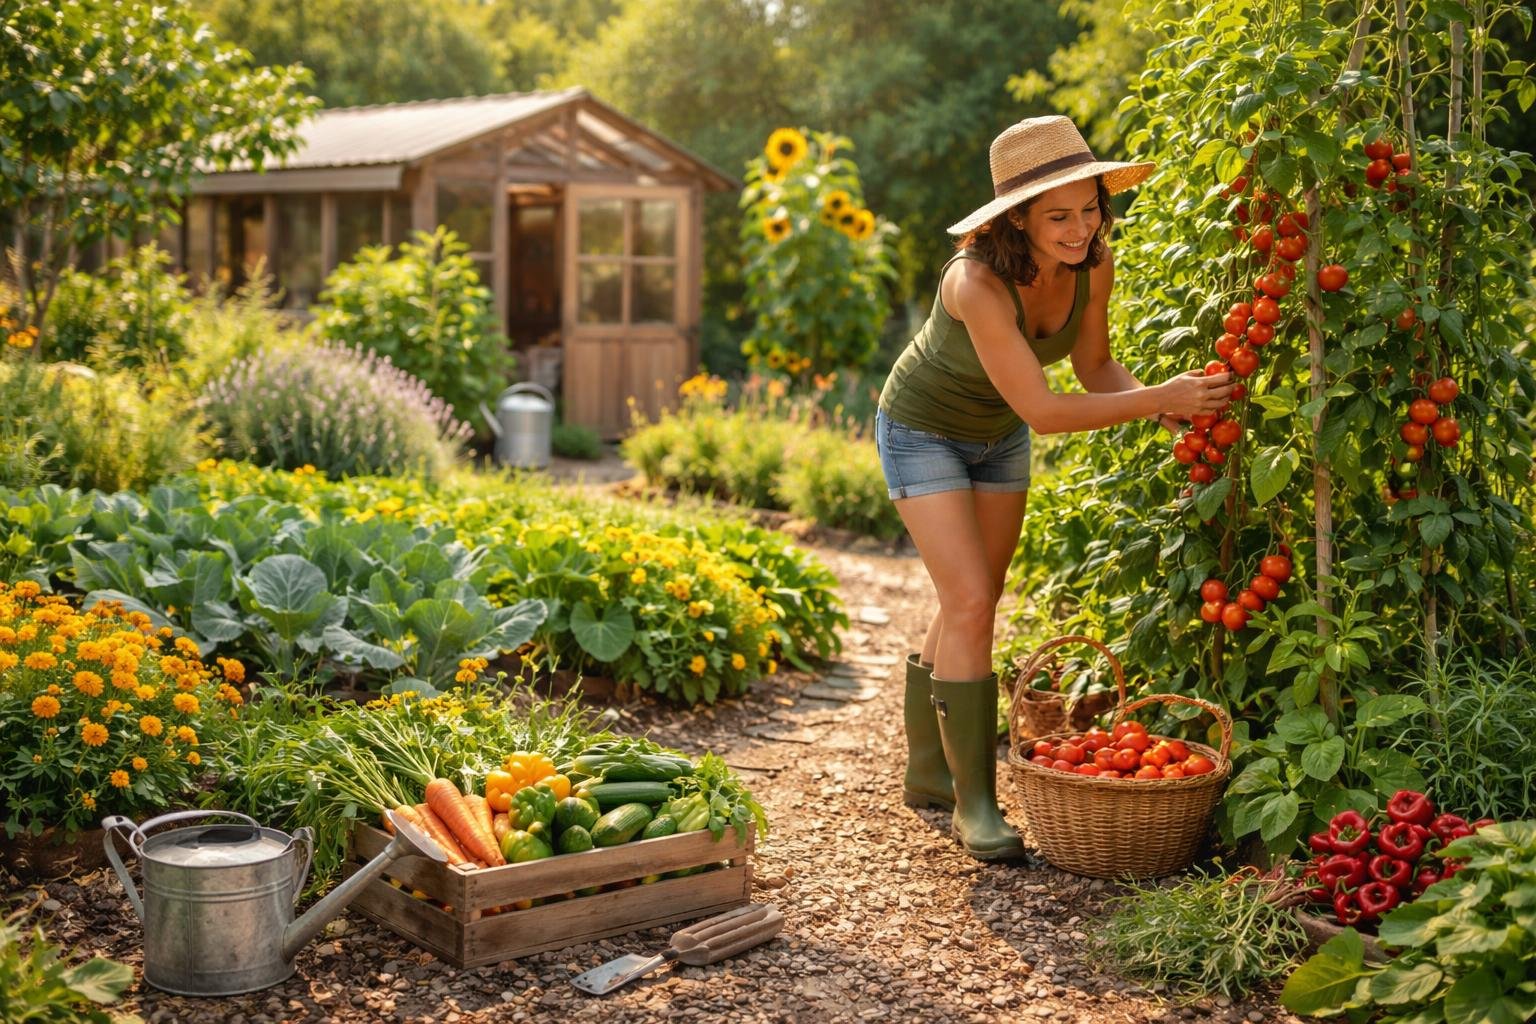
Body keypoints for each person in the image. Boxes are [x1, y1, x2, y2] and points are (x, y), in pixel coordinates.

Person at [878, 115, 1233, 861]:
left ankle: (925, 766)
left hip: (994, 434)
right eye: (1059, 215)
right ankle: (974, 803)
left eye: (1090, 207)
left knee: (976, 595)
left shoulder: (1093, 264)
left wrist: (1165, 404)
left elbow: (1095, 368)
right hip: (922, 430)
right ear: (1018, 217)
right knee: (971, 600)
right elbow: (1042, 410)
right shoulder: (974, 280)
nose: (1080, 229)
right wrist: (1158, 395)